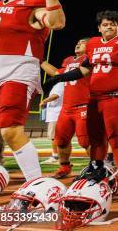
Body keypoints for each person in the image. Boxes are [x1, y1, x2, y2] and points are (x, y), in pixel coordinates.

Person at [0, 0, 66, 205]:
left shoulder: (34, 2)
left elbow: (56, 21)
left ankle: (38, 188)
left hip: (19, 70)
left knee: (10, 130)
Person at [44, 10, 118, 195]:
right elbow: (83, 70)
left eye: (113, 23)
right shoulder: (93, 45)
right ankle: (99, 171)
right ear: (99, 27)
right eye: (106, 24)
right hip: (95, 97)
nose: (110, 26)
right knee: (96, 139)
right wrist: (60, 78)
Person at [40, 38, 91, 179]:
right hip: (66, 108)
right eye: (78, 41)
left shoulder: (90, 58)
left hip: (83, 105)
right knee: (60, 141)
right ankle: (64, 166)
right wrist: (41, 61)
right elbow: (57, 73)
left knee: (85, 141)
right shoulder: (68, 60)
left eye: (82, 42)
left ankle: (97, 166)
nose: (78, 43)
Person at [40, 82, 63, 164]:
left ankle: (55, 156)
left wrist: (44, 101)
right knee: (57, 137)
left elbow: (56, 95)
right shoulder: (60, 84)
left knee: (54, 137)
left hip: (55, 115)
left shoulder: (59, 84)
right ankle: (58, 156)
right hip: (55, 114)